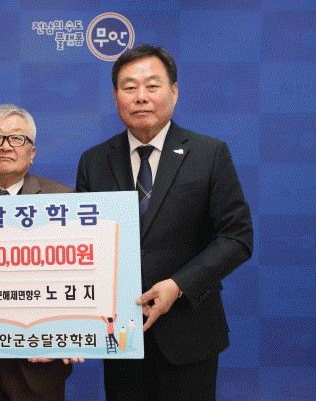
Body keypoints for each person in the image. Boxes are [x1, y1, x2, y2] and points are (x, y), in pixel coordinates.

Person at [76, 44, 253, 400]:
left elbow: (237, 237)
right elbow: (84, 245)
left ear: (174, 91)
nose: (141, 96)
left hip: (189, 332)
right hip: (121, 336)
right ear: (116, 97)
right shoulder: (94, 161)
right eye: (129, 87)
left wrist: (178, 285)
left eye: (152, 85)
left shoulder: (209, 153)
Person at [0, 104, 81, 401]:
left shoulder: (63, 198)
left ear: (32, 153)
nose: (5, 146)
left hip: (40, 359)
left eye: (17, 138)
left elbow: (78, 273)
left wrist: (73, 332)